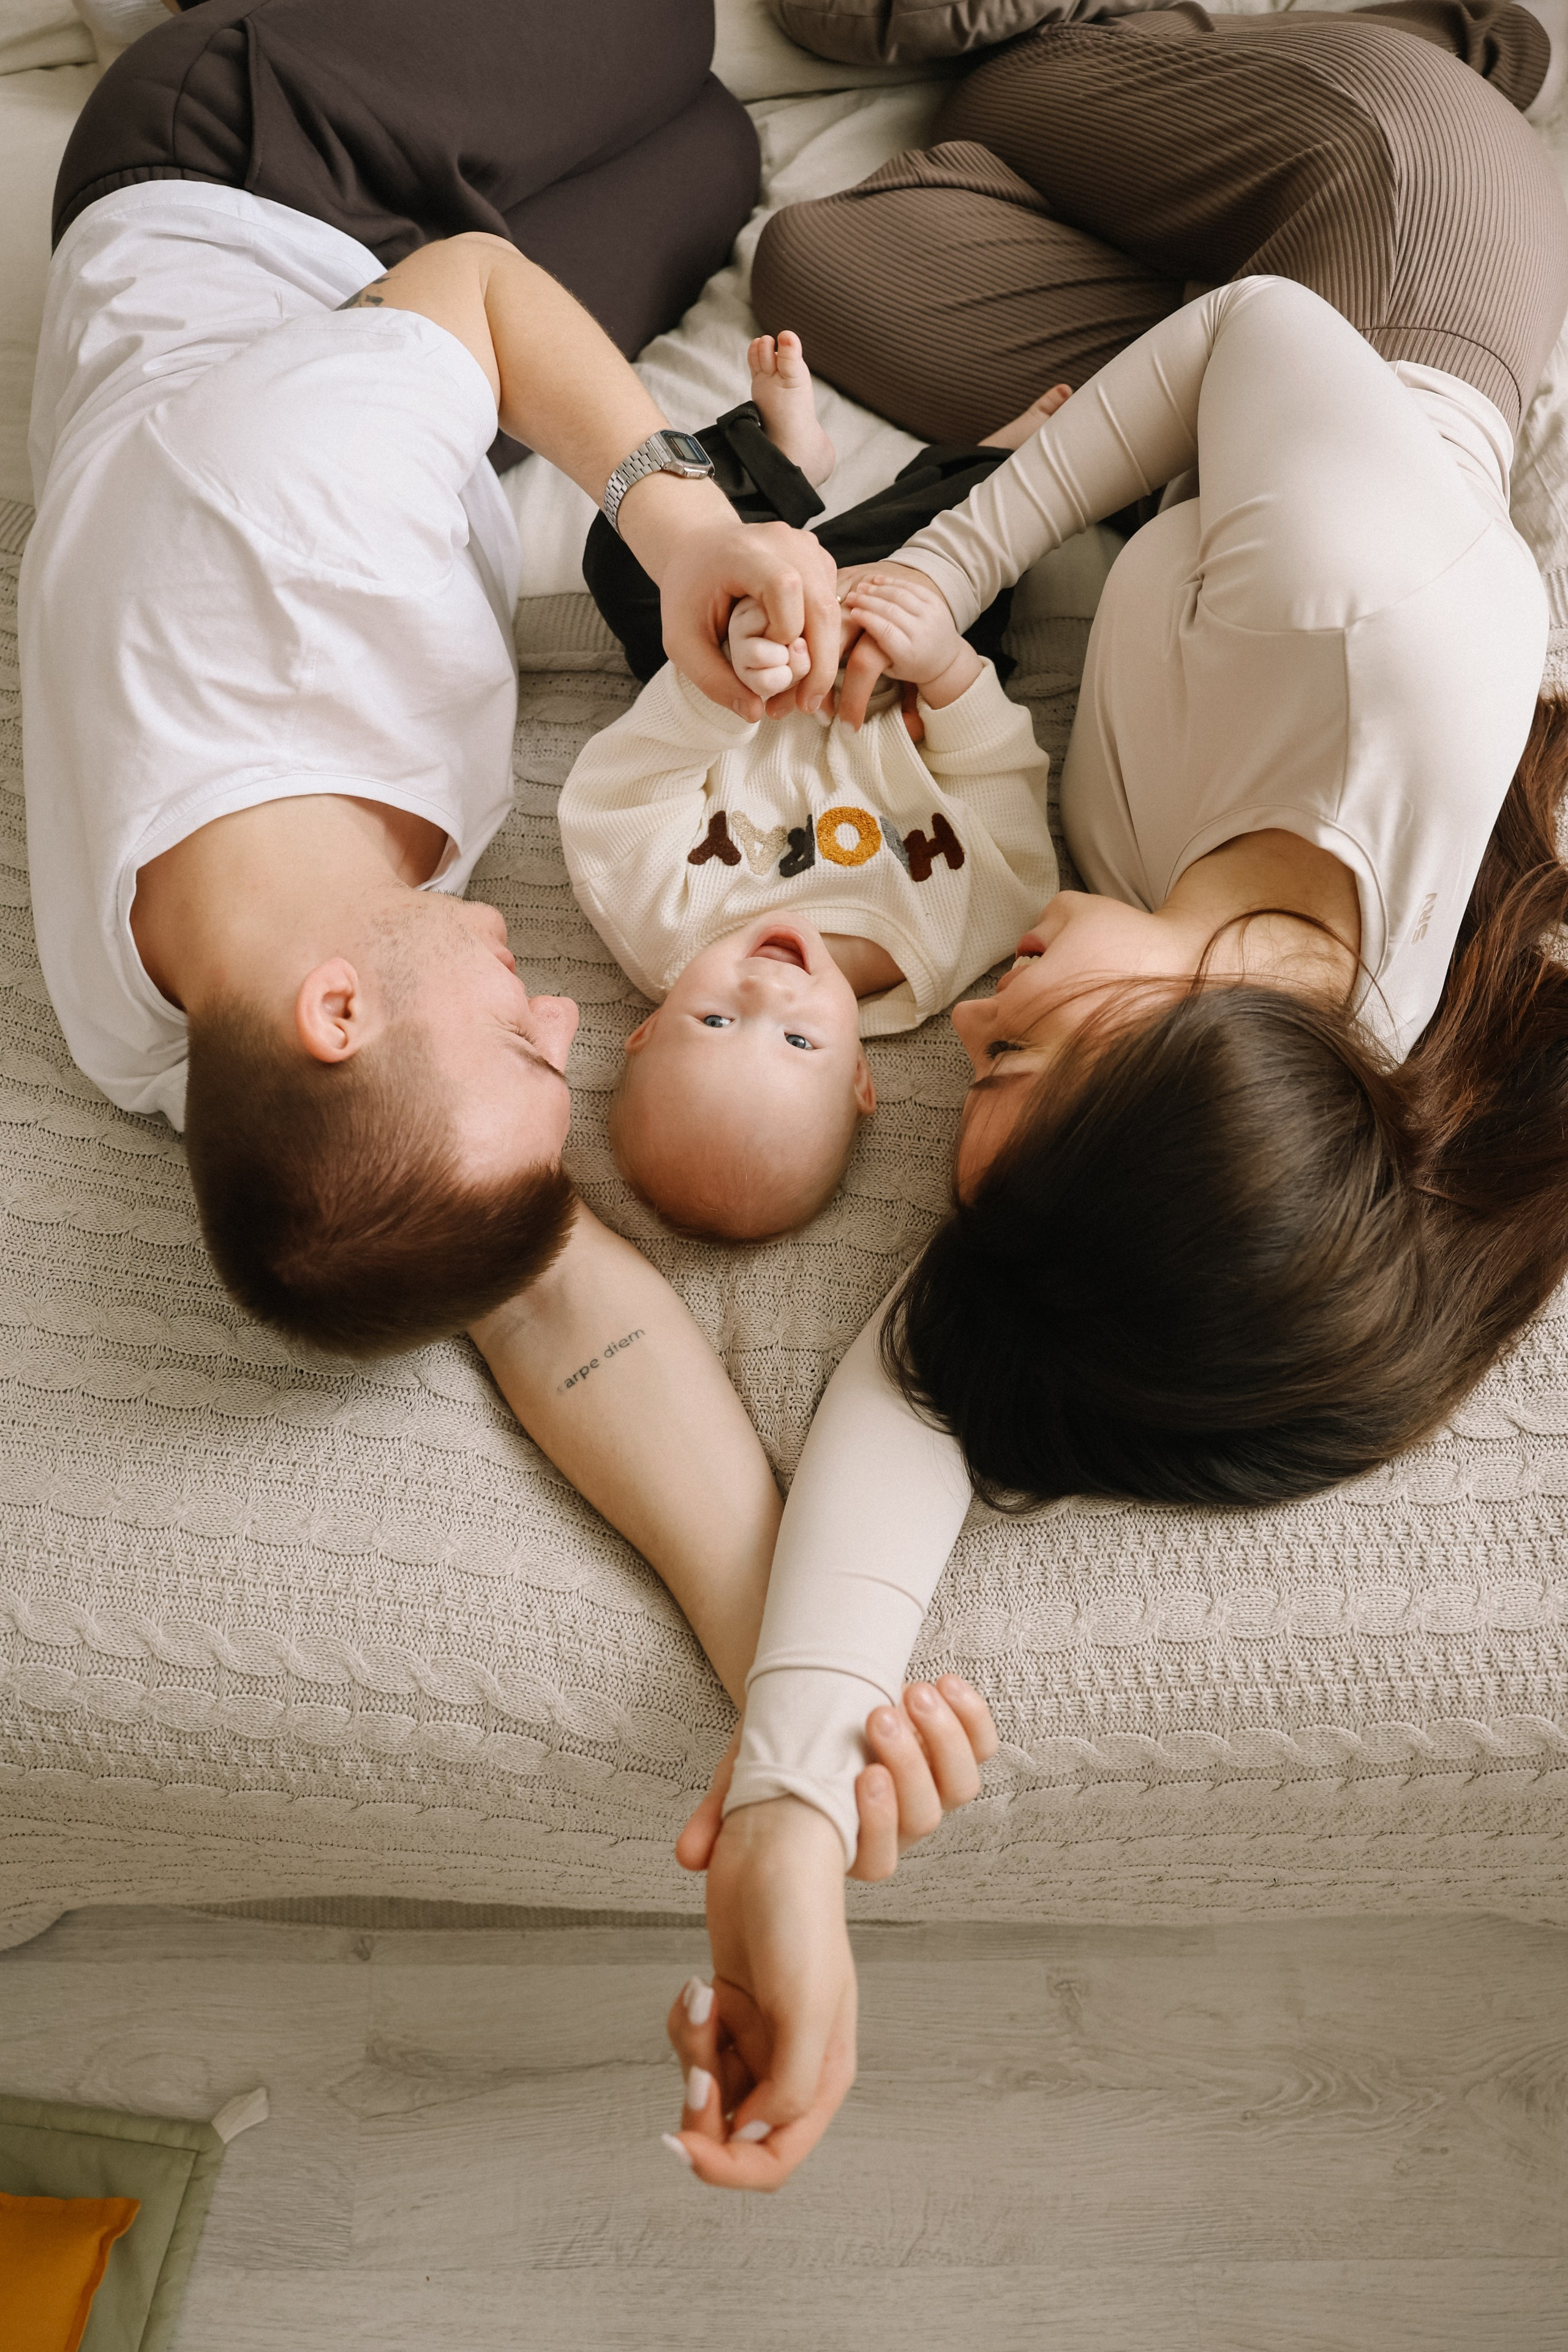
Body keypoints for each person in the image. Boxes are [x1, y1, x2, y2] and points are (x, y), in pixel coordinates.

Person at [664, 0, 1568, 2190]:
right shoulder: (1366, 626)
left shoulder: (1238, 1100)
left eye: (975, 1068)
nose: (979, 1015)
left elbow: (933, 1378)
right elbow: (1252, 330)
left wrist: (787, 1814)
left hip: (1212, 449)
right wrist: (945, 571)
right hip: (1379, 242)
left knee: (820, 263)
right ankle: (1424, 35)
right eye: (1029, 1046)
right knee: (946, 61)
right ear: (1208, 1054)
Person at [20, 2, 1001, 1923]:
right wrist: (786, 1702)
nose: (564, 1009)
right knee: (717, 152)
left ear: (339, 1011)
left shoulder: (270, 531)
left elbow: (471, 288)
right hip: (396, 399)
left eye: (521, 1042)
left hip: (246, 168)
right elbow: (556, 1314)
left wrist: (687, 525)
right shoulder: (212, 1050)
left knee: (662, 27)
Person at [559, 333, 1060, 1239]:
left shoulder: (663, 923)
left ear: (647, 1027)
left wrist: (726, 683)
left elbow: (621, 793)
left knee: (620, 555)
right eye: (798, 1041)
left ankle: (787, 460)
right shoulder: (945, 943)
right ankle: (991, 458)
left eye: (714, 1021)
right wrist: (944, 668)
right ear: (860, 1076)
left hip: (735, 667)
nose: (766, 996)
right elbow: (1005, 795)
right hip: (895, 654)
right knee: (961, 541)